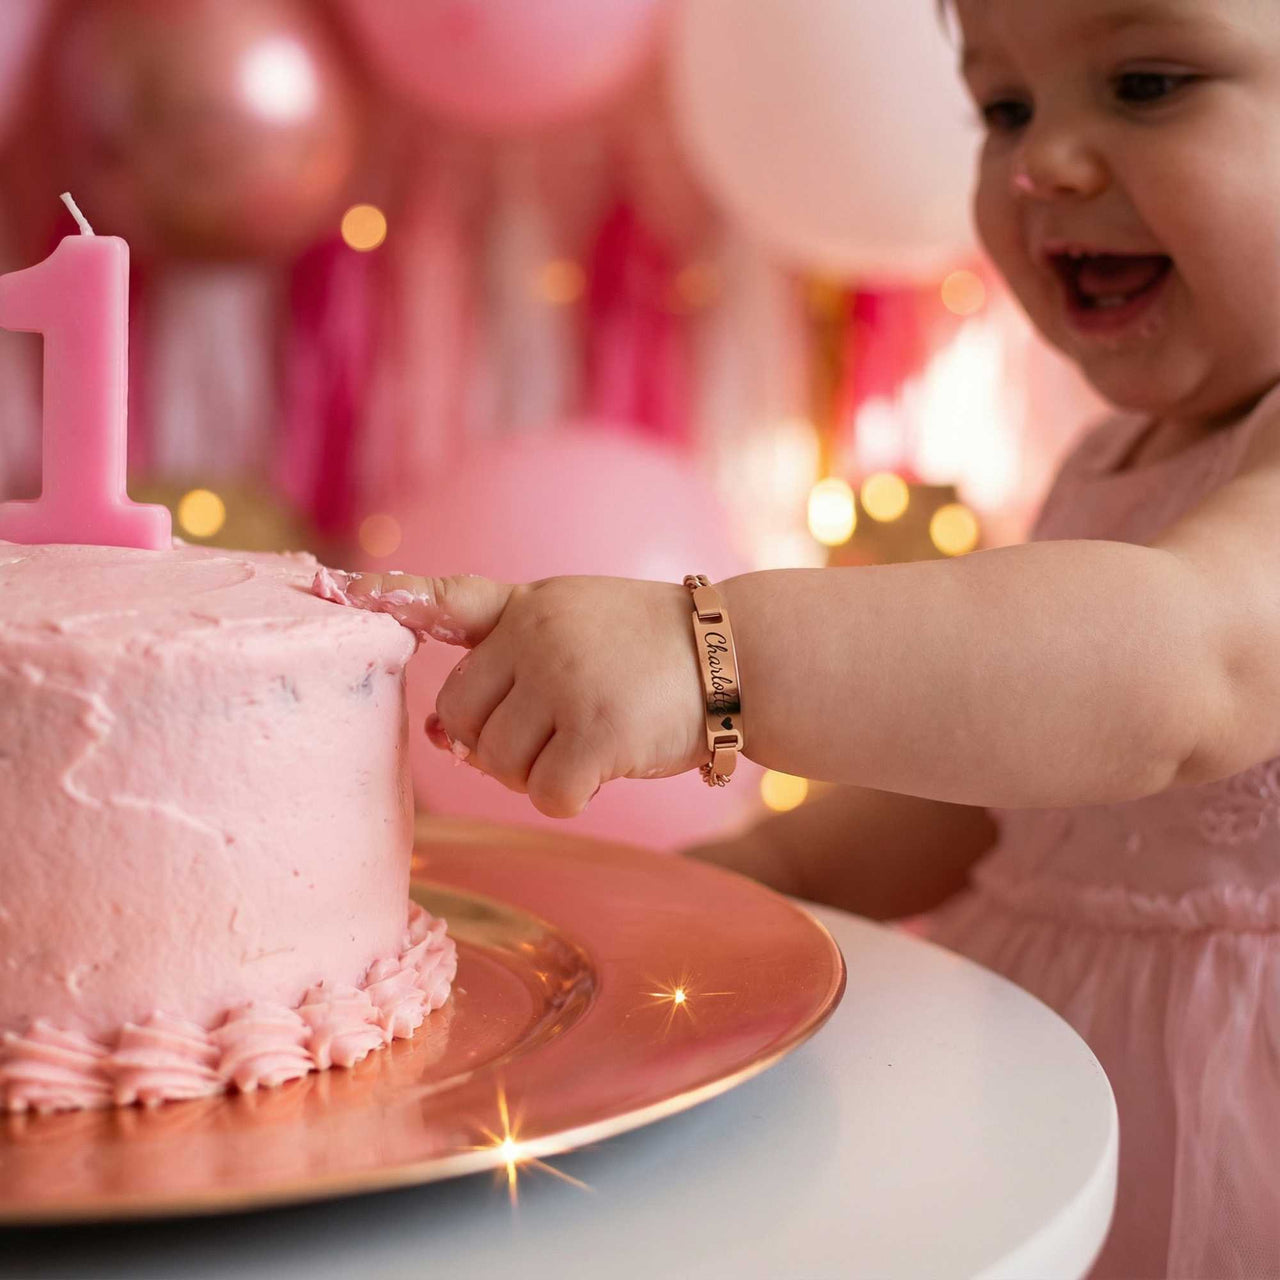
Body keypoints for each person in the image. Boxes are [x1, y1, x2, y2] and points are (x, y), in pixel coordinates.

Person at [321, 1, 1280, 1273]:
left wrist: (704, 652)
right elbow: (981, 801)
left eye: (1148, 82)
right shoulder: (1111, 462)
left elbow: (1179, 667)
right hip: (1049, 1076)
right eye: (1004, 109)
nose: (1042, 161)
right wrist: (751, 877)